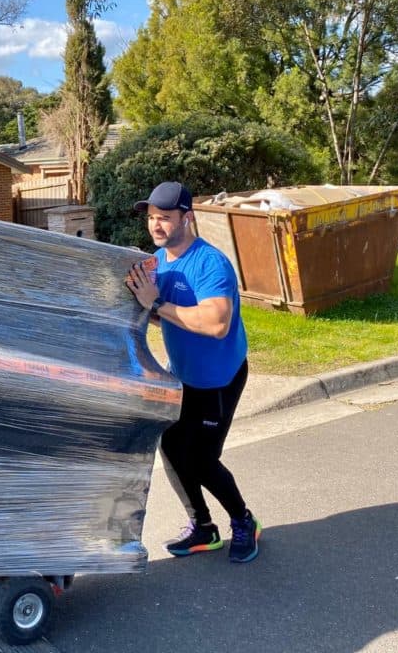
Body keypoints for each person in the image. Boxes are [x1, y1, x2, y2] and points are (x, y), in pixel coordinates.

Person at [125, 181, 261, 564]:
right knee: (170, 445)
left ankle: (244, 521)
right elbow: (168, 318)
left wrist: (157, 303)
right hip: (183, 375)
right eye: (152, 218)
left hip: (217, 380)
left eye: (165, 218)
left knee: (202, 460)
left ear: (187, 217)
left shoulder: (210, 263)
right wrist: (145, 307)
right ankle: (202, 526)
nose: (157, 226)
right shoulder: (160, 261)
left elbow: (216, 322)